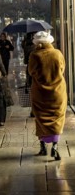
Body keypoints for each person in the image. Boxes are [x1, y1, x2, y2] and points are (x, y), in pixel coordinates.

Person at [28, 31, 66, 160]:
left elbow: (31, 71)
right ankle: (55, 146)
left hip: (40, 92)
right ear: (50, 41)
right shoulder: (57, 53)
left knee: (40, 119)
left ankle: (43, 147)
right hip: (58, 92)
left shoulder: (34, 55)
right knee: (57, 117)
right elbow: (62, 69)